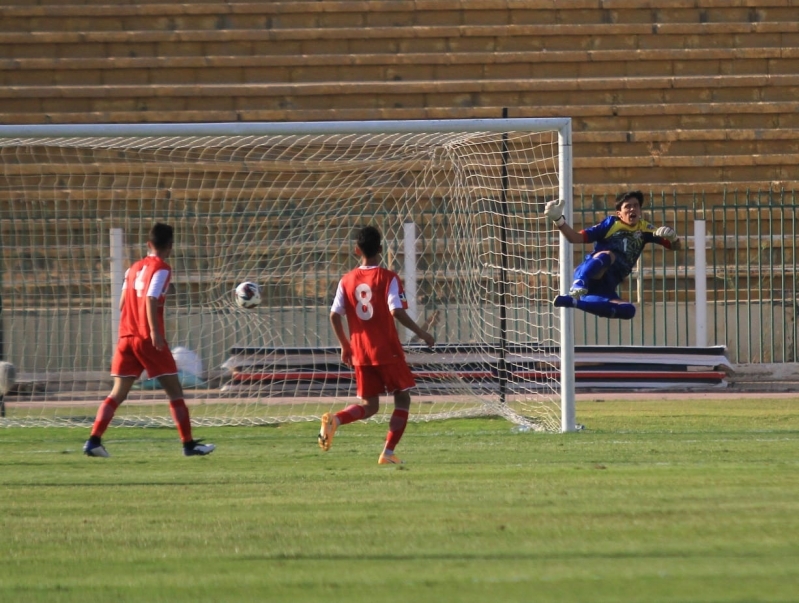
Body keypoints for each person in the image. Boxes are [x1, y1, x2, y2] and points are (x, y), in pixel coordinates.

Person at [83, 223, 215, 457]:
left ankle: (93, 441)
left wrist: (131, 323)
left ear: (148, 244)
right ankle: (189, 445)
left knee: (117, 393)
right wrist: (154, 332)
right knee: (175, 392)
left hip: (126, 336)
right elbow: (151, 299)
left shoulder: (132, 268)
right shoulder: (162, 268)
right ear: (170, 246)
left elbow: (123, 302)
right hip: (147, 338)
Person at [319, 225, 436, 465]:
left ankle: (336, 420)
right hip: (386, 350)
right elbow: (396, 312)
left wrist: (345, 345)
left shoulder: (346, 280)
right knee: (402, 398)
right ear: (381, 249)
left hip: (360, 352)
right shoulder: (388, 277)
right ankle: (388, 452)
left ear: (356, 250)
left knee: (370, 405)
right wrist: (422, 332)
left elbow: (334, 315)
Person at [545, 190, 682, 320]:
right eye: (628, 206)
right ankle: (579, 282)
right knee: (608, 255)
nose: (633, 209)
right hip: (590, 274)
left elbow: (676, 247)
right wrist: (559, 220)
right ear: (619, 213)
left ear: (640, 210)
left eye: (636, 206)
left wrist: (673, 238)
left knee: (629, 310)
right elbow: (575, 238)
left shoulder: (645, 229)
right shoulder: (610, 224)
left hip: (603, 289)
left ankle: (573, 303)